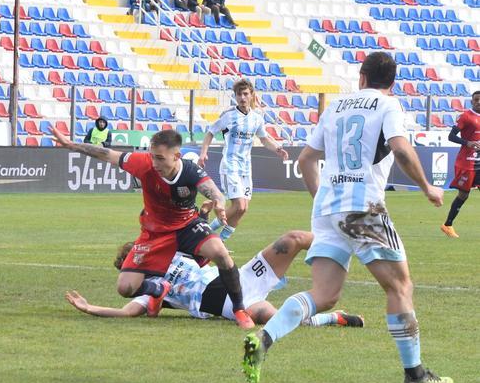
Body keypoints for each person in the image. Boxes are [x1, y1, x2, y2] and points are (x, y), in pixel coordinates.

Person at [242, 52, 452, 383]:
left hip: (327, 209)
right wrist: (427, 187)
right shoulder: (388, 105)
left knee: (324, 295)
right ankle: (414, 374)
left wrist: (322, 200)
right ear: (392, 83)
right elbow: (399, 149)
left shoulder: (336, 107)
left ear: (361, 77)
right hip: (362, 209)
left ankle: (265, 337)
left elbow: (307, 159)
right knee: (399, 287)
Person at [51, 127, 255, 328]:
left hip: (186, 226)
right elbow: (106, 153)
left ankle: (239, 309)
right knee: (125, 288)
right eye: (152, 156)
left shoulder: (190, 171)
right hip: (154, 233)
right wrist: (71, 145)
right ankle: (158, 289)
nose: (155, 163)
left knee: (220, 252)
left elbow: (213, 191)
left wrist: (219, 202)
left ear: (176, 156)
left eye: (160, 158)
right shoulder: (143, 163)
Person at [67, 227, 364, 327]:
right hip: (220, 303)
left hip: (238, 278)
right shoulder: (148, 289)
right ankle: (334, 318)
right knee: (283, 319)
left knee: (294, 238)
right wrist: (91, 308)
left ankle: (349, 243)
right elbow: (126, 312)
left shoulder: (175, 252)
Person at [197, 79, 287, 241]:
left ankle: (221, 241)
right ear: (235, 96)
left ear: (252, 95)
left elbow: (264, 139)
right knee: (238, 205)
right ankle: (205, 233)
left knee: (243, 209)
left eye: (245, 94)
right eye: (239, 94)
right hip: (230, 165)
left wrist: (277, 149)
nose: (242, 98)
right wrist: (203, 153)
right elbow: (210, 132)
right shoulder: (229, 115)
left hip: (246, 168)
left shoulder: (257, 118)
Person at [440, 91, 480, 238]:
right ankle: (447, 225)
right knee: (463, 195)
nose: (479, 102)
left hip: (478, 162)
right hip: (466, 163)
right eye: (476, 100)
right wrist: (468, 143)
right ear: (472, 101)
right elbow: (451, 136)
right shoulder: (466, 116)